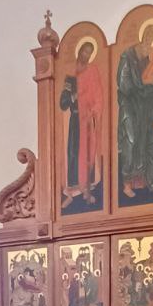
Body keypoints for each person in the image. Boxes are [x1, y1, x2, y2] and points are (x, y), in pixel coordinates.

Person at [116, 24, 153, 200]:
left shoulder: (147, 59)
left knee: (151, 140)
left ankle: (152, 182)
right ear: (143, 36)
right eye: (148, 36)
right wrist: (143, 84)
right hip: (130, 108)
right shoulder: (127, 57)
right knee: (130, 141)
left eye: (152, 38)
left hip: (145, 108)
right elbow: (124, 84)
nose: (149, 41)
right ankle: (127, 183)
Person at [60, 40, 105, 208]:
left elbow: (98, 97)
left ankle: (86, 190)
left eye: (89, 53)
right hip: (75, 121)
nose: (86, 55)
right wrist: (74, 96)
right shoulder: (70, 77)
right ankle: (72, 192)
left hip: (87, 120)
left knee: (88, 155)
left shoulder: (92, 72)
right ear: (79, 52)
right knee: (74, 154)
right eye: (85, 51)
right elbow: (63, 103)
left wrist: (93, 110)